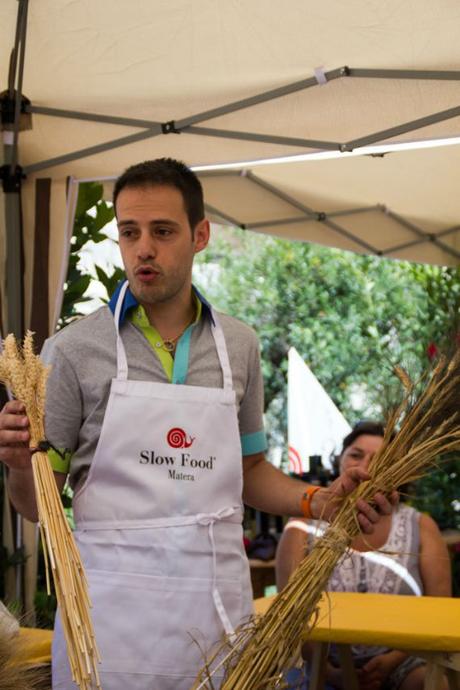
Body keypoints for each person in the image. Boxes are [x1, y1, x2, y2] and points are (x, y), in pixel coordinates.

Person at [0, 159, 394, 690]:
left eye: (162, 231)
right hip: (110, 626)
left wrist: (318, 501)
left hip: (216, 619)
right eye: (129, 232)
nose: (143, 249)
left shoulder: (239, 346)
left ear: (200, 234)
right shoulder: (71, 351)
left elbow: (249, 469)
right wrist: (18, 465)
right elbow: (36, 503)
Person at [276, 421, 452, 690]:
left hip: (404, 661)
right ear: (340, 460)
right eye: (356, 455)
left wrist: (392, 661)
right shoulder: (303, 526)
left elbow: (440, 612)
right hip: (322, 664)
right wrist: (331, 672)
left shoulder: (420, 526)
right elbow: (288, 617)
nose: (365, 466)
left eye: (380, 458)